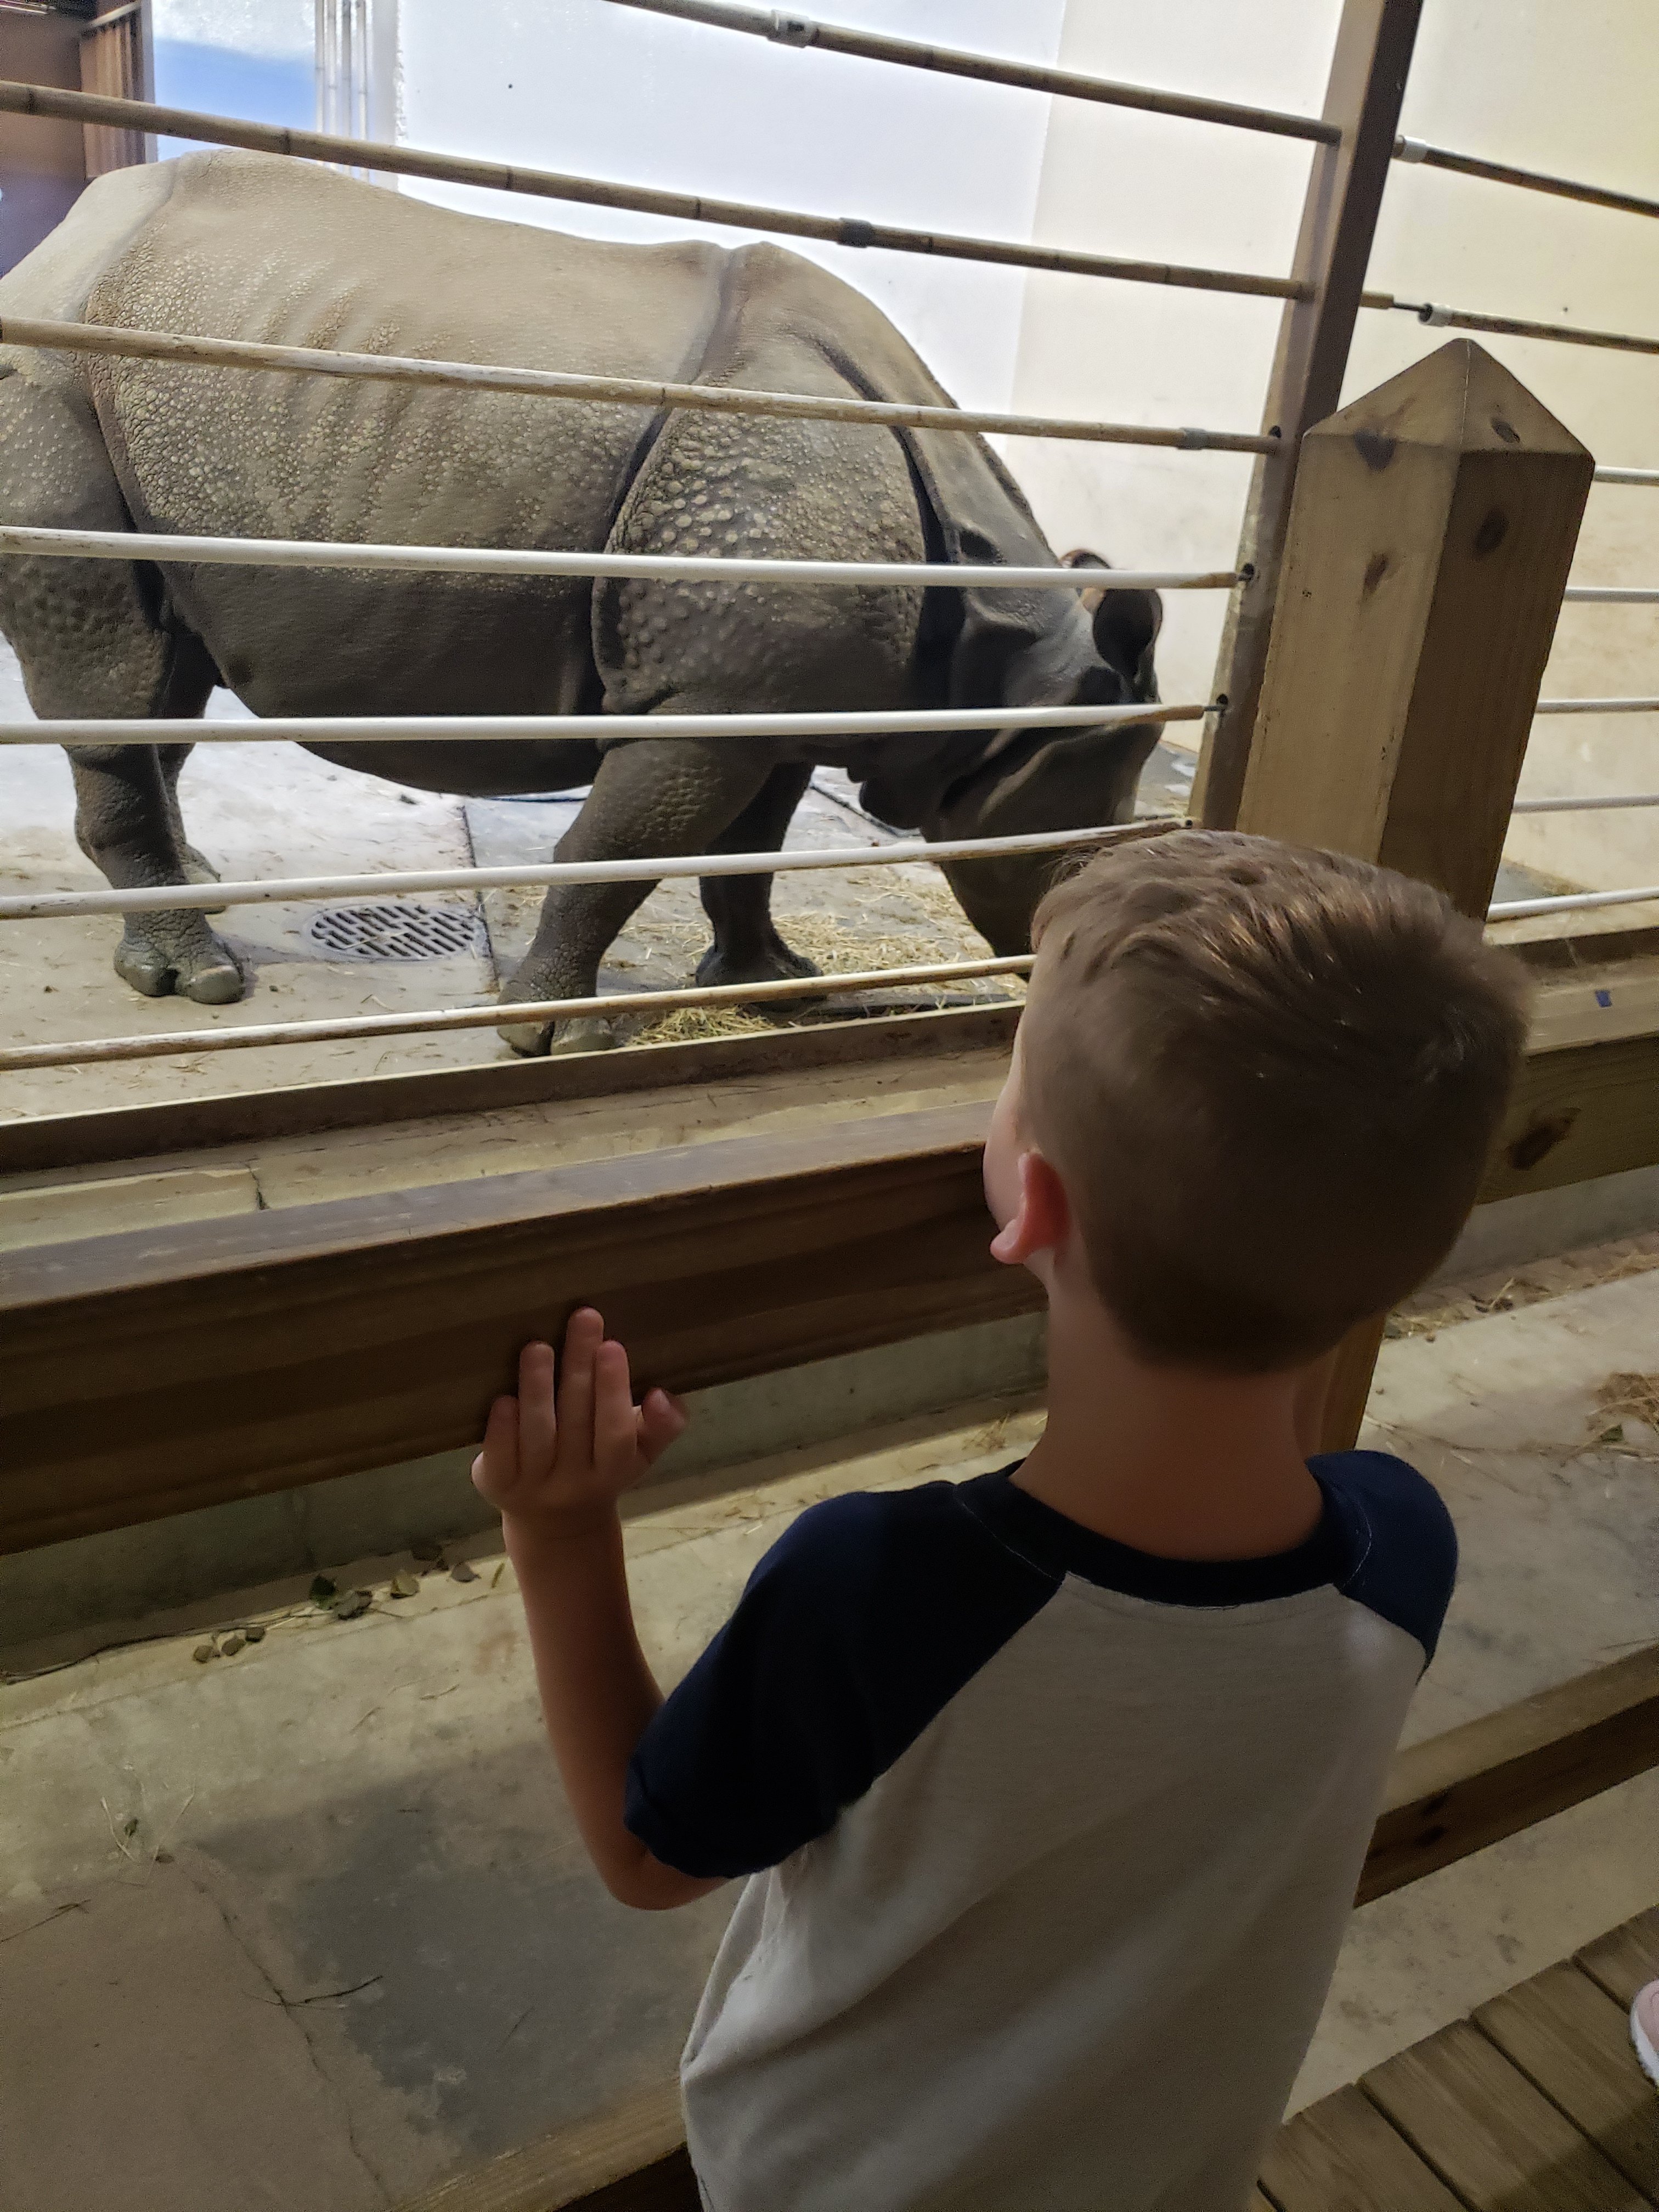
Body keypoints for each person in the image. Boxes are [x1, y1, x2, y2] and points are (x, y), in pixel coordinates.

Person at [472, 830, 1530, 2212]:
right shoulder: (1400, 1553)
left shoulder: (884, 1589)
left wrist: (559, 1532)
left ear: (1031, 1198)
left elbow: (646, 1857)